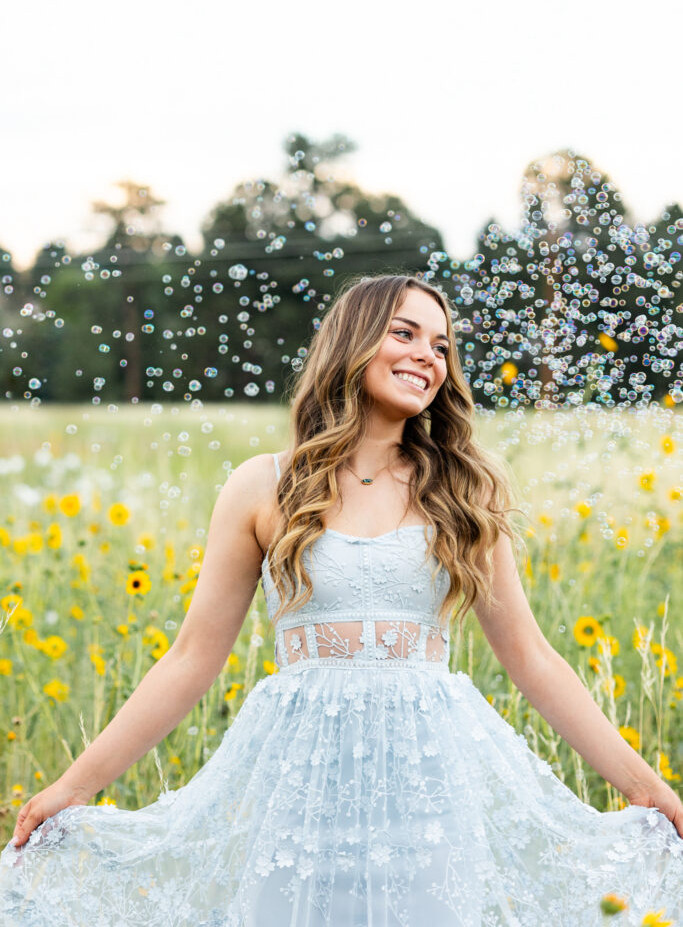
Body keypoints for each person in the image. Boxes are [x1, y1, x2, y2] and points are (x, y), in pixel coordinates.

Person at [1, 272, 682, 926]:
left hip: (427, 784)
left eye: (440, 346)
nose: (427, 356)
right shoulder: (263, 486)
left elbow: (531, 658)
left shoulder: (465, 490)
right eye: (405, 334)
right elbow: (189, 660)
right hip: (295, 784)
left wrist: (642, 786)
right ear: (351, 342)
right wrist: (74, 786)